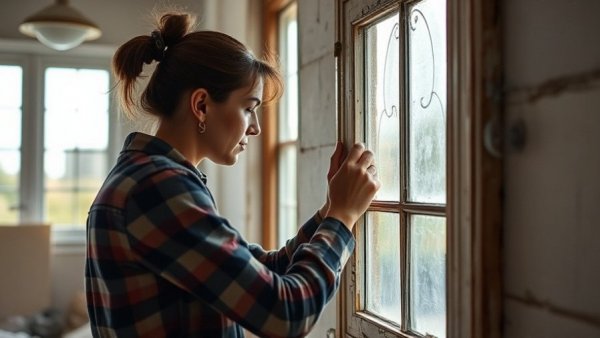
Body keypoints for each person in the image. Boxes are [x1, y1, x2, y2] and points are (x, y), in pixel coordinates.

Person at [85, 11, 380, 338]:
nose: (255, 128)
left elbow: (266, 271)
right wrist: (342, 217)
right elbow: (285, 314)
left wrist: (330, 209)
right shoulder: (157, 187)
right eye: (248, 107)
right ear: (201, 105)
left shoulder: (153, 179)